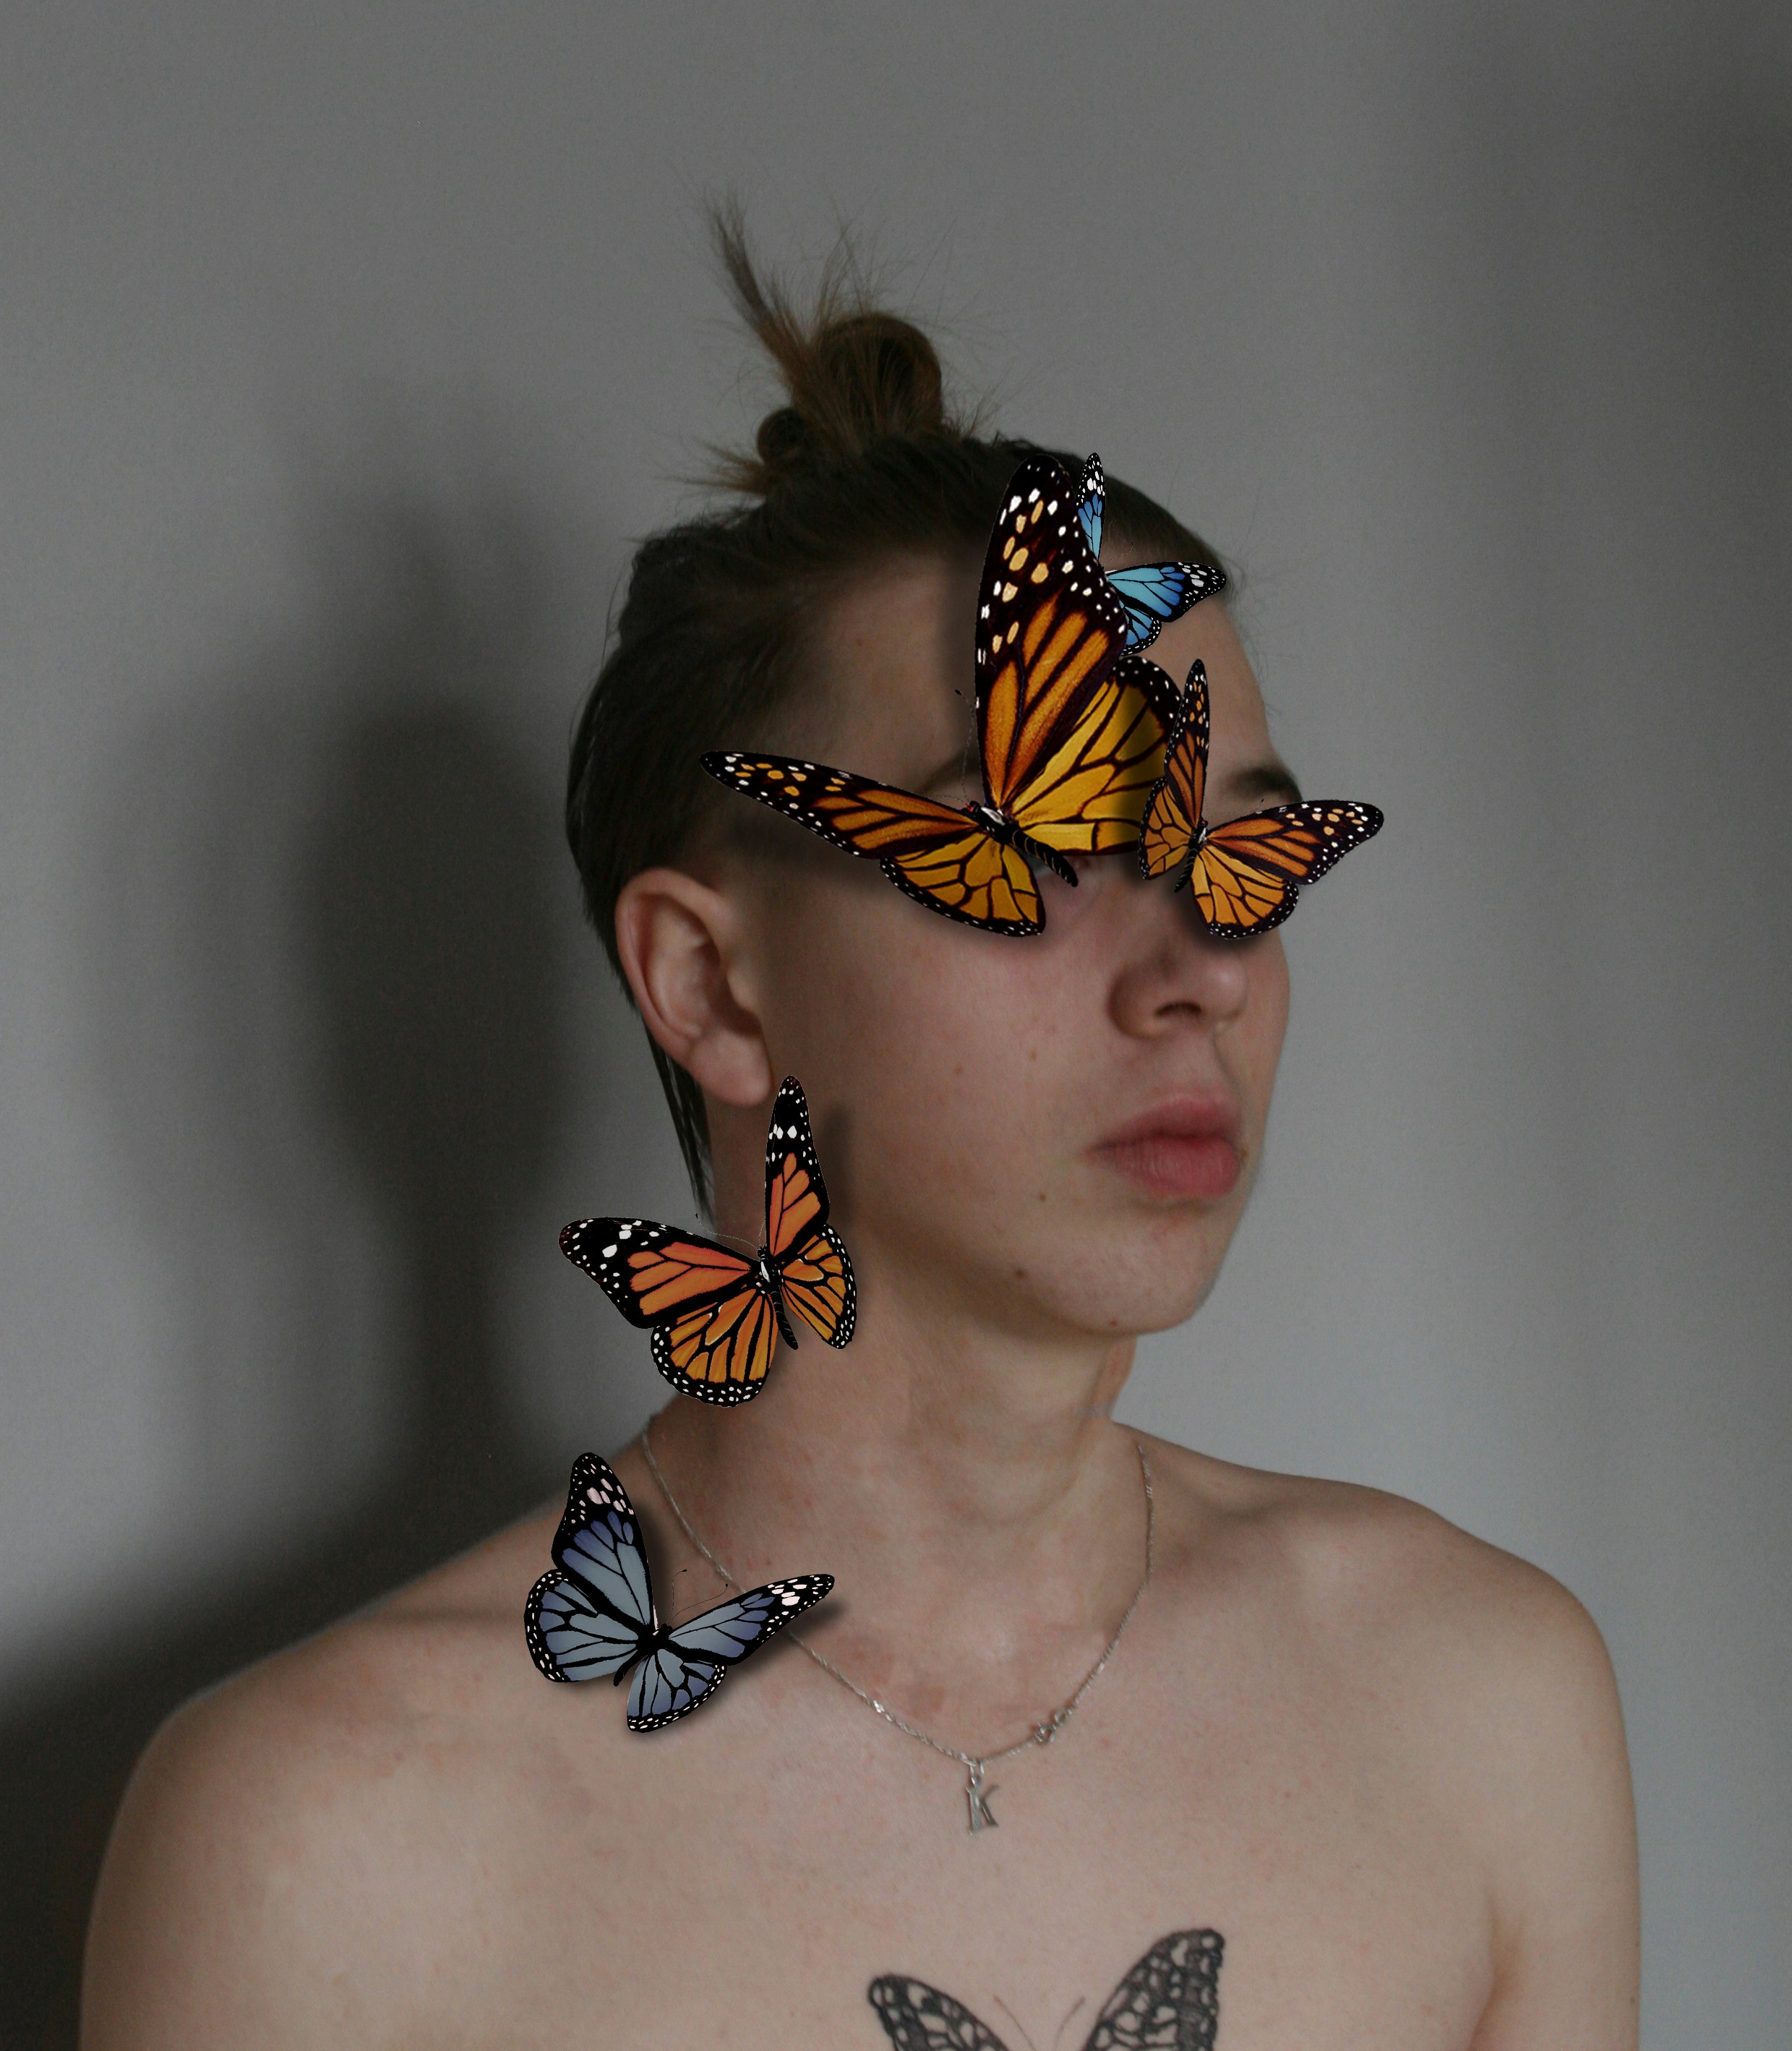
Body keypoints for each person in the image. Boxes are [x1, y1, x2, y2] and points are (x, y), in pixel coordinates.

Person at [82, 228, 1639, 2050]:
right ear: (712, 985)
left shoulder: (1472, 1702)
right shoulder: (322, 1841)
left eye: (1233, 852)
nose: (1199, 970)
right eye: (1035, 854)